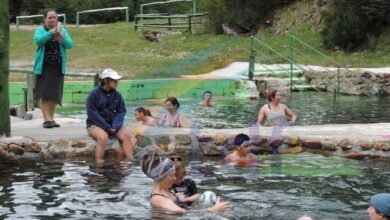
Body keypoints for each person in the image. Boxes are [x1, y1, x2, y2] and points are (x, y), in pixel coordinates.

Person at [139, 146, 231, 213]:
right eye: (171, 175)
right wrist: (212, 210)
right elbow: (184, 214)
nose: (174, 178)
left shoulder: (167, 190)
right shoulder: (158, 199)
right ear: (160, 177)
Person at [33, 8, 73, 128]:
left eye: (54, 17)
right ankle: (46, 120)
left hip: (58, 67)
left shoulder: (62, 30)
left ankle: (51, 118)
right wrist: (50, 33)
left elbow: (70, 45)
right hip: (44, 67)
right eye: (49, 17)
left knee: (55, 94)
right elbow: (38, 41)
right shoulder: (40, 30)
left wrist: (60, 36)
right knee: (45, 93)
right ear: (44, 19)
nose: (52, 19)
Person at [86, 69, 133, 164]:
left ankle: (130, 161)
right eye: (114, 80)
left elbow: (121, 111)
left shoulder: (117, 95)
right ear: (105, 80)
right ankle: (99, 163)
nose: (117, 83)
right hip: (95, 125)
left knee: (127, 136)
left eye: (117, 80)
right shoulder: (93, 94)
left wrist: (115, 126)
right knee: (103, 137)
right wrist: (107, 127)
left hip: (113, 125)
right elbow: (92, 114)